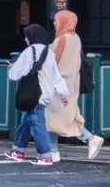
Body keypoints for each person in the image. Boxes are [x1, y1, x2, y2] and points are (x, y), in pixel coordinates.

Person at [7, 22, 68, 165]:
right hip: (45, 94)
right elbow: (56, 76)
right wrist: (64, 96)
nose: (25, 39)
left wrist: (13, 67)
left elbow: (14, 75)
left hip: (34, 95)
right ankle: (18, 150)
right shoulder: (50, 53)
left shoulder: (29, 52)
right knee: (26, 121)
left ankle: (45, 155)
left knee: (37, 123)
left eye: (27, 36)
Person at [48, 9, 104, 160]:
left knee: (52, 118)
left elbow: (52, 61)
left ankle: (53, 152)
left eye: (57, 20)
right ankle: (88, 138)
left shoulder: (60, 39)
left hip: (58, 84)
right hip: (72, 84)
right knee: (66, 117)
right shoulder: (76, 38)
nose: (54, 22)